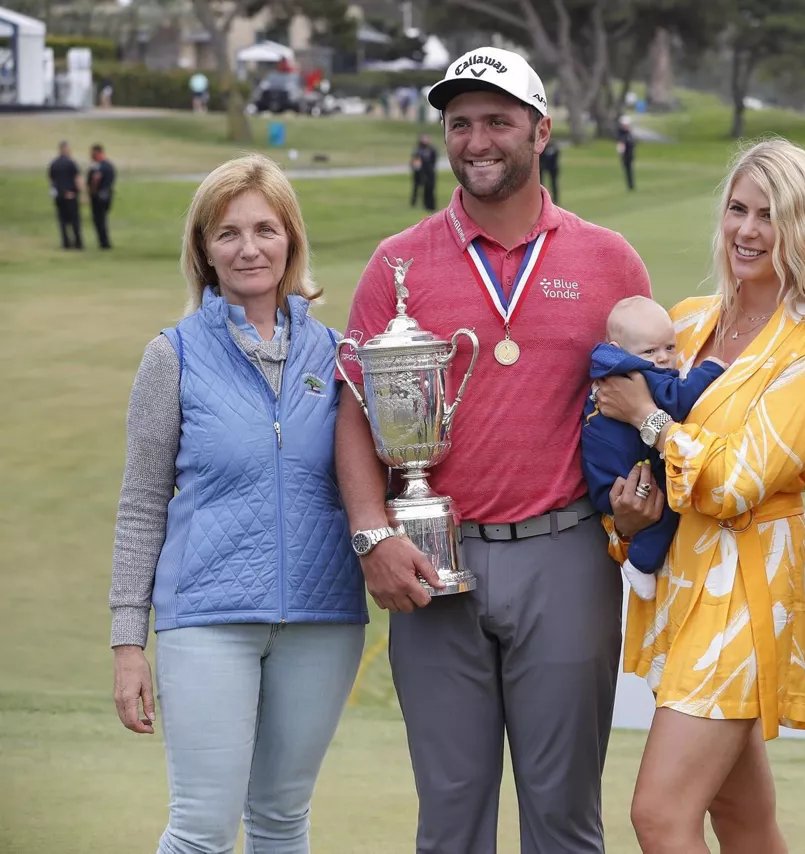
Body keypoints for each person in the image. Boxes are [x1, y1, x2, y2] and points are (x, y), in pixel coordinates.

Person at [335, 46, 652, 854]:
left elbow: (647, 395)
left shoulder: (608, 258)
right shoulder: (397, 262)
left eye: (498, 122)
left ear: (540, 132)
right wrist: (371, 534)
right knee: (450, 820)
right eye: (460, 123)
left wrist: (644, 497)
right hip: (433, 556)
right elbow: (354, 409)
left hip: (567, 552)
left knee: (565, 819)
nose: (476, 140)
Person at [595, 137, 805, 853]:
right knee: (742, 818)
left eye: (769, 215)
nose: (747, 229)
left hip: (747, 589)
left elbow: (738, 481)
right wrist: (627, 521)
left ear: (804, 227)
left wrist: (649, 418)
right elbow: (621, 443)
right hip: (679, 582)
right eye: (738, 209)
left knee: (660, 814)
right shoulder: (683, 323)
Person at [109, 153, 368, 853]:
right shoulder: (172, 355)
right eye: (227, 233)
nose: (248, 248)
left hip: (323, 619)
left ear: (291, 240)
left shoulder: (338, 355)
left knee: (283, 820)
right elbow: (140, 507)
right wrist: (128, 643)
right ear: (204, 249)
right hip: (207, 619)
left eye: (264, 229)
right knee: (202, 831)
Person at [581, 296, 726, 600]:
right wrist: (710, 370)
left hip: (602, 473)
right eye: (650, 351)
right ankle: (641, 562)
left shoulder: (608, 368)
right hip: (626, 479)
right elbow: (676, 400)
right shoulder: (639, 374)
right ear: (620, 348)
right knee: (673, 498)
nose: (662, 359)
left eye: (669, 348)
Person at [48, 140, 83, 250]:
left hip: (59, 195)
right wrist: (80, 191)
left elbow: (51, 180)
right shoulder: (71, 163)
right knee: (75, 220)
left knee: (62, 220)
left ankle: (65, 243)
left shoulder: (54, 164)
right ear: (65, 149)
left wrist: (55, 192)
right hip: (71, 195)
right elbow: (77, 178)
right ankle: (78, 242)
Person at [87, 143, 116, 249]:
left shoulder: (97, 166)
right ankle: (104, 241)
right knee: (102, 219)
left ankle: (104, 242)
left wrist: (92, 192)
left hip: (98, 196)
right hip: (108, 194)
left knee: (99, 219)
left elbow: (95, 180)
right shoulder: (109, 165)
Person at [409, 133, 438, 211]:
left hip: (429, 172)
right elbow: (415, 161)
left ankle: (430, 205)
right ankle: (415, 202)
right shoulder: (418, 149)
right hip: (420, 172)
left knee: (430, 188)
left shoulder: (431, 149)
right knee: (417, 187)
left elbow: (434, 160)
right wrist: (417, 169)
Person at [616, 115, 636, 191]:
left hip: (630, 153)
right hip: (625, 154)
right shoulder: (621, 134)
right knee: (627, 169)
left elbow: (632, 144)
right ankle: (630, 185)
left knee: (630, 170)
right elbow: (620, 146)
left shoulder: (629, 134)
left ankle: (631, 185)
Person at [539, 135, 560, 204]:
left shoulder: (554, 147)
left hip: (553, 168)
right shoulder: (543, 147)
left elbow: (556, 157)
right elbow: (541, 157)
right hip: (543, 167)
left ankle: (555, 200)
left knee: (554, 183)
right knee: (540, 183)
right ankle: (541, 199)